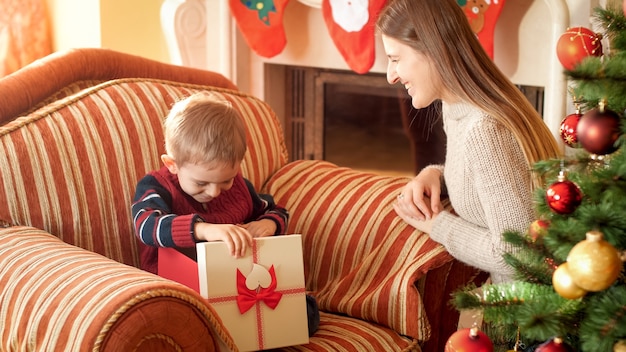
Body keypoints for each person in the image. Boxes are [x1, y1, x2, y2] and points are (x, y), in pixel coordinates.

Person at [376, 0, 562, 284]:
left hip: (534, 319)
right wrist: (434, 174)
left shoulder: (485, 129)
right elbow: (490, 181)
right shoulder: (458, 108)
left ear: (432, 51)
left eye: (395, 59)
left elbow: (519, 255)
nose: (390, 76)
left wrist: (435, 225)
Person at [131, 92, 319, 335]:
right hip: (181, 292)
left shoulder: (240, 188)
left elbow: (277, 211)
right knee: (187, 323)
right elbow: (146, 226)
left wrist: (268, 225)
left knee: (304, 311)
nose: (214, 192)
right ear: (172, 164)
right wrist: (204, 229)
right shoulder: (157, 186)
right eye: (201, 183)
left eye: (226, 181)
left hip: (236, 289)